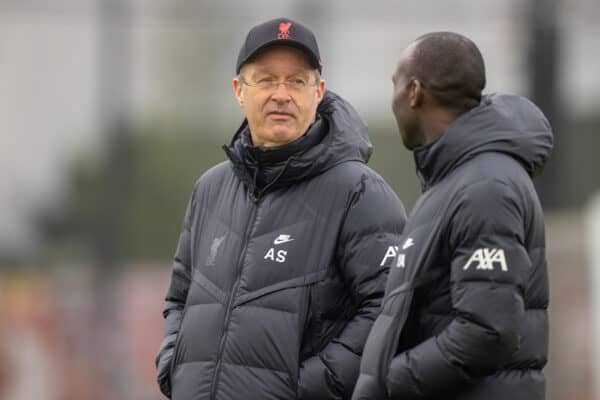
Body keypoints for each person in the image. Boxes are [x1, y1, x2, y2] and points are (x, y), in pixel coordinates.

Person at [155, 17, 407, 400]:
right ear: (239, 90)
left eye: (297, 81)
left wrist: (303, 387)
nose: (281, 94)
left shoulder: (360, 192)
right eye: (267, 79)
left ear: (318, 91)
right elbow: (179, 298)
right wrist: (174, 366)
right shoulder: (210, 188)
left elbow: (390, 309)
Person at [352, 32, 553, 400]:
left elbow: (488, 329)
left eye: (394, 85)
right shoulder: (452, 182)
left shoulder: (486, 187)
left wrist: (391, 380)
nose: (393, 99)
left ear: (414, 92)